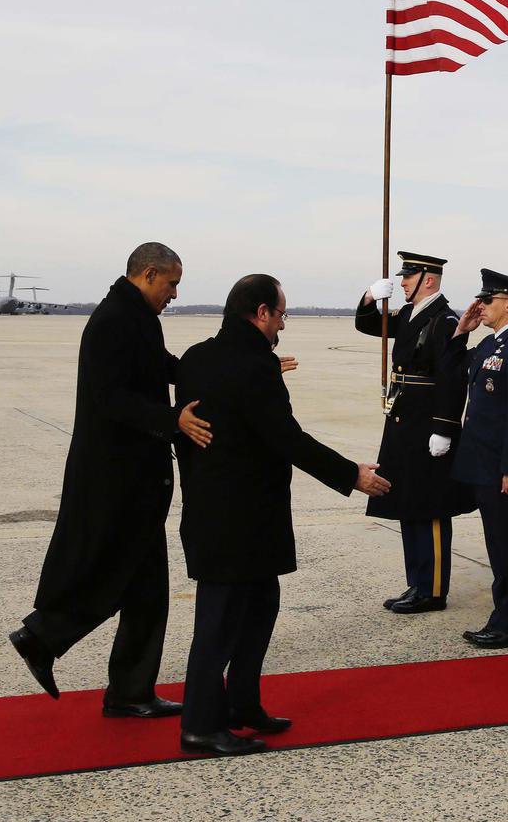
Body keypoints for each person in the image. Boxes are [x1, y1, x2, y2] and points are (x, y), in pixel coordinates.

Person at [174, 274, 390, 756]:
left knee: (259, 607)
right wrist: (350, 475)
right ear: (260, 313)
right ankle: (200, 726)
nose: (283, 325)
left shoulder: (197, 357)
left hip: (218, 512)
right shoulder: (255, 367)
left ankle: (242, 704)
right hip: (239, 518)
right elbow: (286, 438)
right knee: (218, 624)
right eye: (281, 315)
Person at [9, 242, 210, 717]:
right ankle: (47, 639)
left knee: (144, 588)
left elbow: (166, 367)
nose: (174, 294)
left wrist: (234, 371)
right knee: (114, 574)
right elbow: (111, 399)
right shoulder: (112, 322)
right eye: (172, 283)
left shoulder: (136, 317)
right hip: (114, 478)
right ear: (148, 273)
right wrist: (172, 421)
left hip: (135, 476)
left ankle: (126, 689)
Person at [355, 250, 470, 614]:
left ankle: (433, 590)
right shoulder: (409, 314)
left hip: (428, 425)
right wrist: (370, 298)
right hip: (404, 422)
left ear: (428, 280)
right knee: (409, 503)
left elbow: (452, 378)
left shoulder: (445, 320)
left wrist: (444, 428)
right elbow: (369, 325)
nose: (402, 282)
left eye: (408, 277)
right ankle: (417, 583)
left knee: (431, 506)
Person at [442, 269, 508, 649]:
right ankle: (504, 618)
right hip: (484, 466)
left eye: (488, 300)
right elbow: (452, 371)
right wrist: (461, 331)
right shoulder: (491, 344)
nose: (480, 306)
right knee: (499, 550)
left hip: (504, 469)